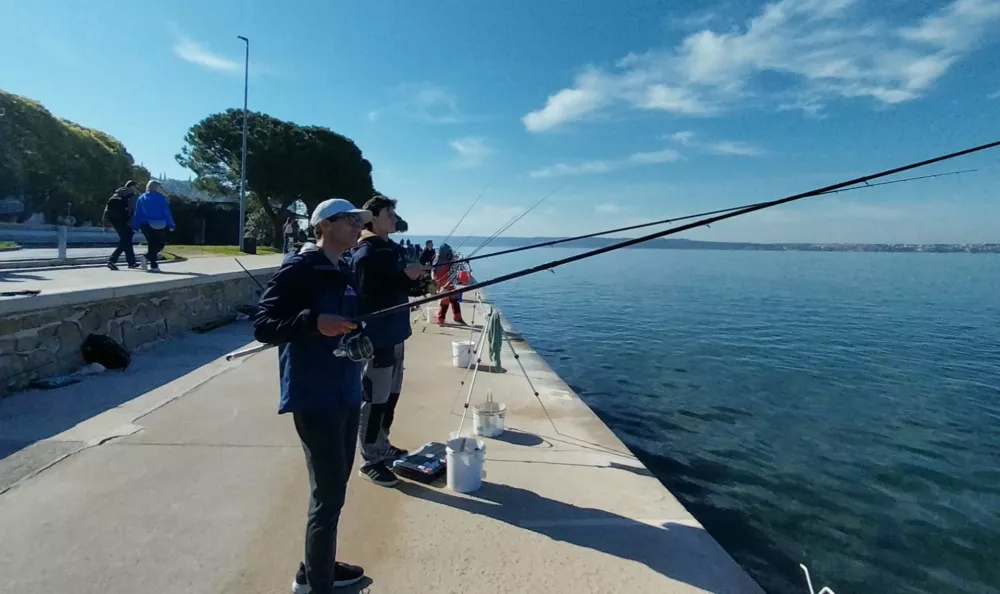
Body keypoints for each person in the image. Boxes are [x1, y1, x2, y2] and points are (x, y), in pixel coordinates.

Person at [253, 198, 372, 593]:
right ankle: (318, 583)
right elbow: (264, 325)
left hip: (347, 391)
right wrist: (314, 321)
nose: (356, 226)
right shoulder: (300, 269)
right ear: (323, 226)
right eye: (348, 220)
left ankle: (317, 565)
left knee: (335, 489)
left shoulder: (345, 268)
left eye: (358, 221)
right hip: (314, 395)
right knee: (328, 494)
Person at [349, 195, 428, 487]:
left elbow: (398, 287)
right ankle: (370, 460)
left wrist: (416, 282)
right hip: (378, 338)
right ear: (373, 218)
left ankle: (382, 445)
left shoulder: (391, 250)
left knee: (391, 397)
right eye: (389, 214)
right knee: (375, 399)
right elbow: (367, 297)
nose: (395, 219)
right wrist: (403, 278)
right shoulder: (365, 255)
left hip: (397, 333)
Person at [131, 180, 175, 272]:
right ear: (156, 188)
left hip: (144, 225)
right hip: (159, 224)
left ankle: (154, 265)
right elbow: (166, 212)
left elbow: (137, 213)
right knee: (160, 244)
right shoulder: (160, 198)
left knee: (151, 244)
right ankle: (146, 257)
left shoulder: (141, 198)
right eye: (160, 187)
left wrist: (135, 226)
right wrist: (171, 224)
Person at [103, 180, 139, 270]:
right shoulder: (132, 196)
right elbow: (133, 210)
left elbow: (107, 210)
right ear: (132, 187)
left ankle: (131, 262)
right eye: (136, 187)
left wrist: (106, 223)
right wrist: (133, 223)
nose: (137, 189)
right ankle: (112, 261)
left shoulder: (116, 194)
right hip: (126, 221)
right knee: (125, 241)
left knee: (127, 240)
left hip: (115, 221)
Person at [433, 243, 466, 325]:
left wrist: (462, 260)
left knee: (454, 299)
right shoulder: (437, 259)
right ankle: (440, 319)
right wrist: (434, 280)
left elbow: (454, 263)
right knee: (445, 301)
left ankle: (457, 317)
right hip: (441, 283)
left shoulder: (448, 259)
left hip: (449, 281)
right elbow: (432, 271)